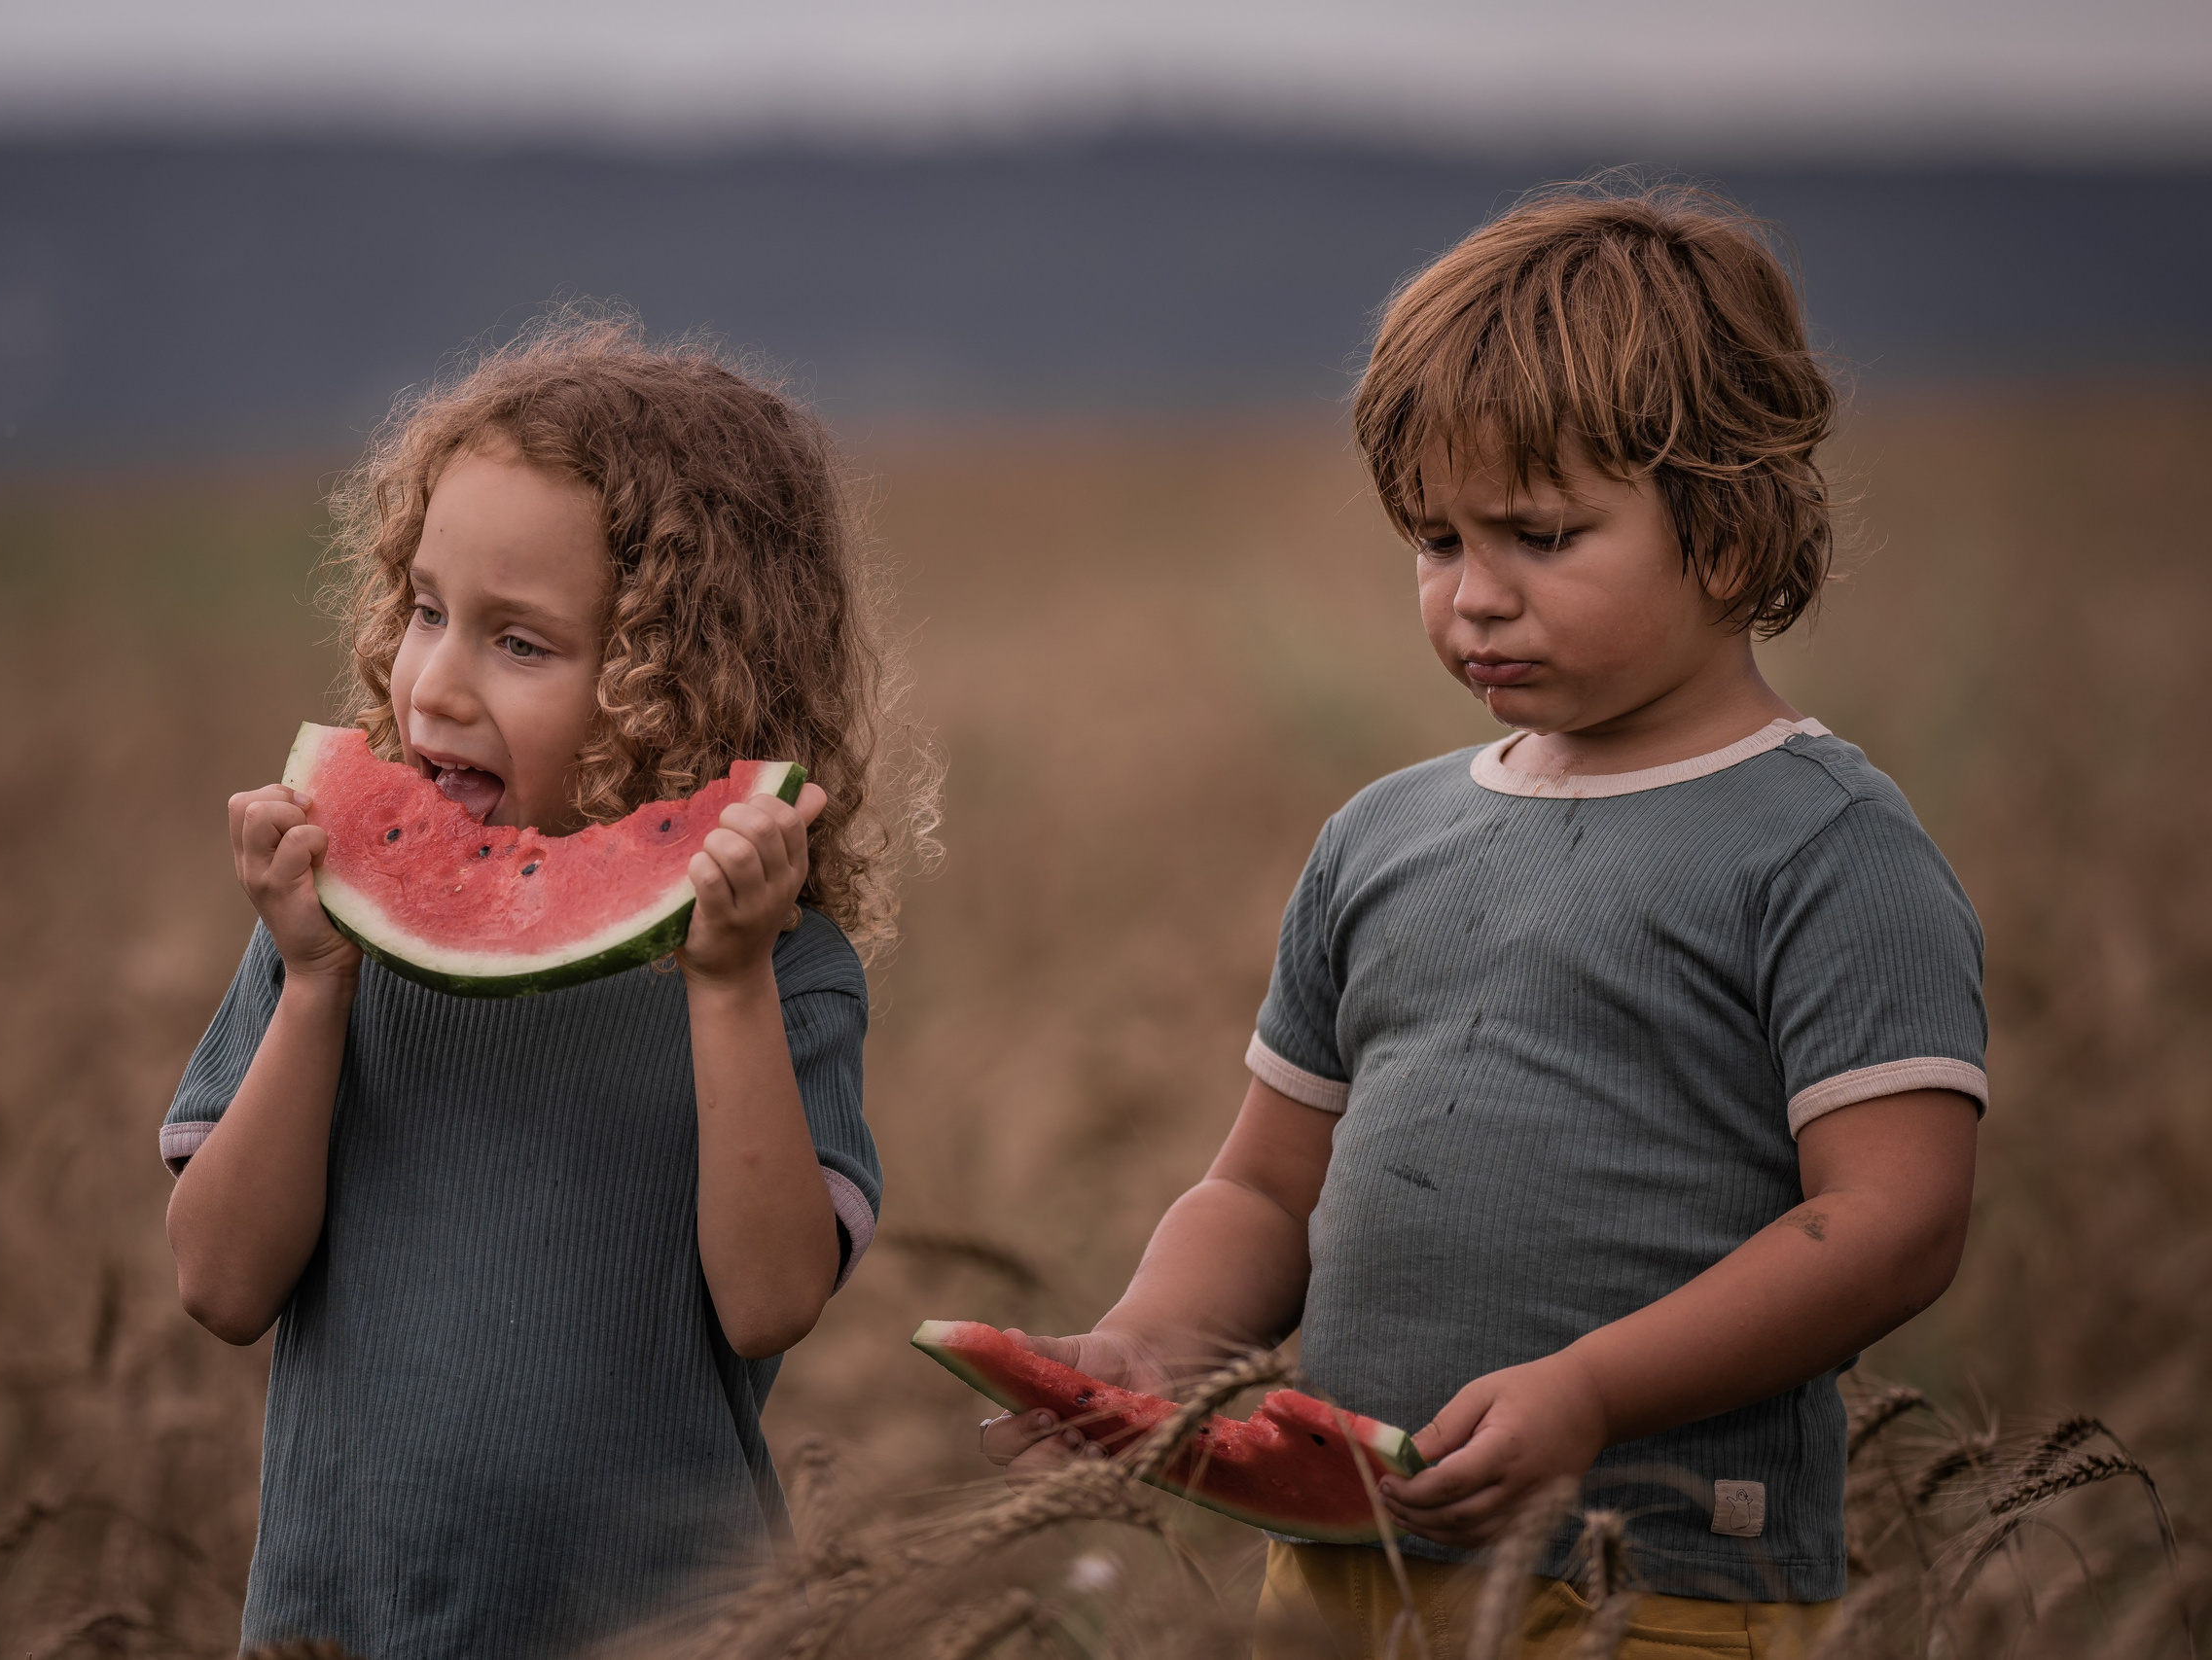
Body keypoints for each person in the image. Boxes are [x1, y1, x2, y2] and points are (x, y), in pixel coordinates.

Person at [985, 185, 1985, 1658]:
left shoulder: (1829, 848)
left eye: (1540, 534)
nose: (1473, 599)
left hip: (1657, 1584)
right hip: (1341, 1567)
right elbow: (1266, 1194)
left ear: (1726, 528)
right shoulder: (1381, 838)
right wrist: (1153, 1347)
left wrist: (1588, 1392)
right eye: (1436, 541)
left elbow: (1891, 1225)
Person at [160, 319, 930, 1659]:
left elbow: (768, 1300)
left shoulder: (787, 971)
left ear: (677, 685)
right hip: (343, 1629)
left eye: (522, 644)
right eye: (426, 610)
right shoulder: (330, 932)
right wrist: (315, 988)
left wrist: (730, 981)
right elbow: (221, 1284)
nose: (438, 681)